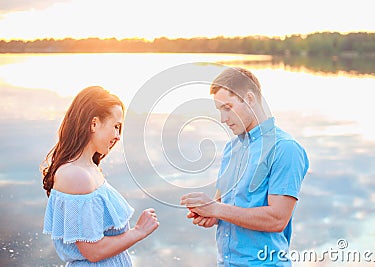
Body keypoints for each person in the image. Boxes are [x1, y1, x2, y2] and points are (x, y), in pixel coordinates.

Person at [180, 67, 309, 266]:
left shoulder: (285, 149)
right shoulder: (231, 148)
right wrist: (209, 214)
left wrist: (217, 209)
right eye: (219, 110)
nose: (223, 119)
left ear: (249, 99)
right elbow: (222, 205)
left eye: (227, 108)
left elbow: (277, 219)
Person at [41, 86, 159, 266]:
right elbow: (93, 251)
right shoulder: (75, 175)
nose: (118, 136)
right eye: (116, 126)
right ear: (94, 124)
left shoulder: (88, 167)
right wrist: (139, 231)